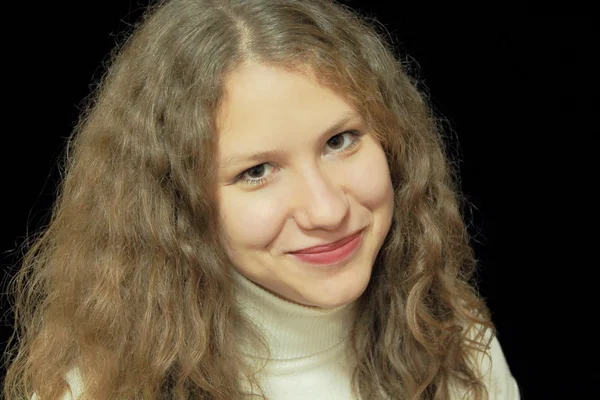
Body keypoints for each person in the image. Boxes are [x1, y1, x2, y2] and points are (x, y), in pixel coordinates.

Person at [3, 0, 519, 399]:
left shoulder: (459, 344)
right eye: (256, 172)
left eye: (340, 141)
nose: (327, 211)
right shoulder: (94, 391)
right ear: (174, 206)